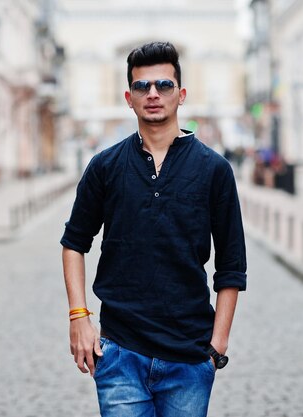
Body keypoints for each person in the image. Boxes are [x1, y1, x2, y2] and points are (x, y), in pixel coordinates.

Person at [60, 41, 247, 417]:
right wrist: (79, 317)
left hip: (190, 358)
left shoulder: (214, 170)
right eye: (143, 87)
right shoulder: (105, 166)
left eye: (163, 85)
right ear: (129, 98)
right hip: (120, 354)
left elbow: (231, 266)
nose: (153, 94)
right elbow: (74, 243)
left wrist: (217, 346)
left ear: (181, 94)